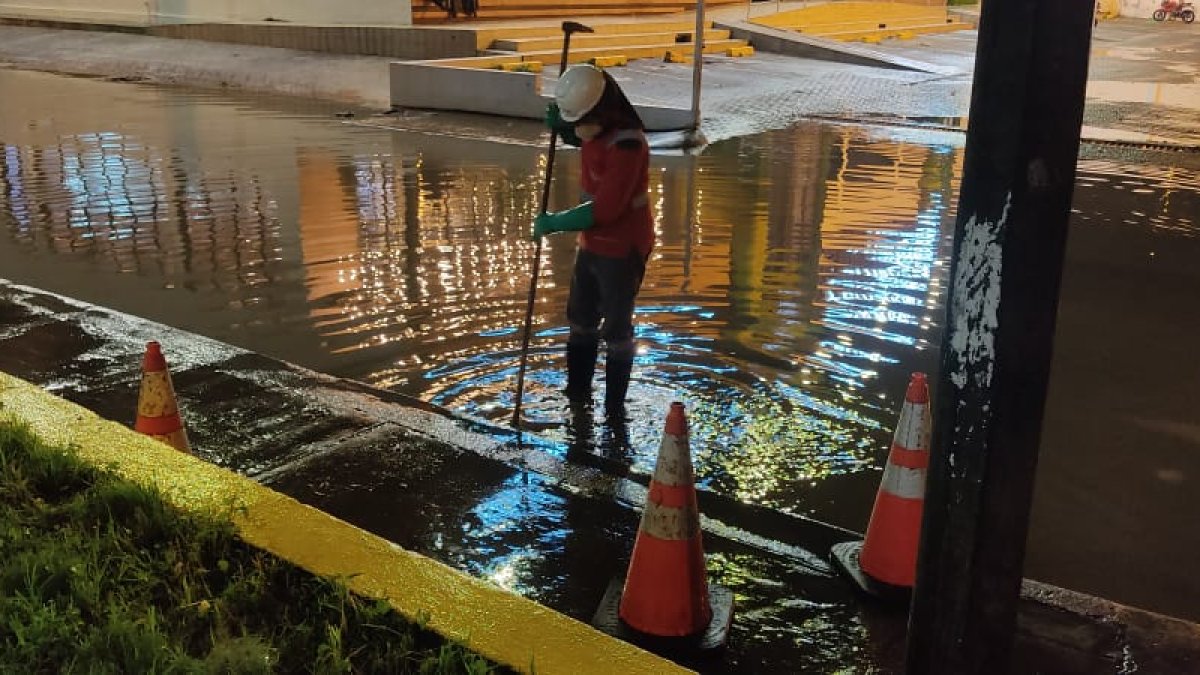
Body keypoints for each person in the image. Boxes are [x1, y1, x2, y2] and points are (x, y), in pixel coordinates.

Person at [532, 64, 653, 421]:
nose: (578, 128)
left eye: (582, 120)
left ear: (603, 111)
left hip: (623, 247)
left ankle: (614, 410)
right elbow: (586, 139)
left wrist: (554, 223)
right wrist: (562, 128)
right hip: (592, 245)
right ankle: (578, 396)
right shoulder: (598, 130)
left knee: (616, 330)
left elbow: (605, 209)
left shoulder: (629, 145)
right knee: (581, 318)